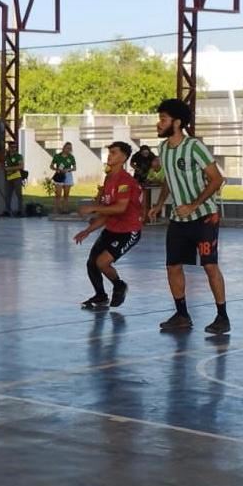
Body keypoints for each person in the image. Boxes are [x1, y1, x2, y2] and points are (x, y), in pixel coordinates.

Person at [148, 99, 229, 334]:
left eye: (163, 119)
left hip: (204, 216)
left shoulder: (194, 146)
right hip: (178, 219)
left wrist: (193, 205)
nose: (158, 123)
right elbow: (169, 179)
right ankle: (182, 315)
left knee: (210, 266)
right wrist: (159, 203)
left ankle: (222, 317)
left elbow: (217, 179)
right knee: (173, 266)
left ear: (177, 122)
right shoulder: (163, 149)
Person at [73, 142, 142, 309]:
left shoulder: (125, 180)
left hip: (128, 231)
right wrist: (88, 230)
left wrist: (93, 207)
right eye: (109, 152)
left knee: (102, 263)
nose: (109, 155)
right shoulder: (109, 178)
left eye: (113, 152)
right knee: (91, 263)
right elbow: (107, 213)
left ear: (124, 157)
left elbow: (120, 208)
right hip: (111, 228)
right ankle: (100, 296)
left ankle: (119, 285)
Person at [50, 142, 76, 214]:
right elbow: (51, 166)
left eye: (70, 148)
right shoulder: (57, 156)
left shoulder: (71, 157)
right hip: (59, 175)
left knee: (66, 194)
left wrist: (68, 170)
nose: (69, 150)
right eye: (67, 148)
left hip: (68, 174)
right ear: (64, 148)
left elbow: (74, 168)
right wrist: (56, 169)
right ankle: (56, 209)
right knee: (58, 194)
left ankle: (65, 209)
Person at [3, 141, 24, 217]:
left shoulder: (18, 156)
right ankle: (7, 210)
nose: (14, 149)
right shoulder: (6, 156)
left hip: (16, 177)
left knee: (19, 194)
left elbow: (21, 166)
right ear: (9, 148)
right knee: (7, 194)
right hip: (8, 177)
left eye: (15, 147)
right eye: (12, 147)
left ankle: (20, 211)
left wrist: (9, 168)